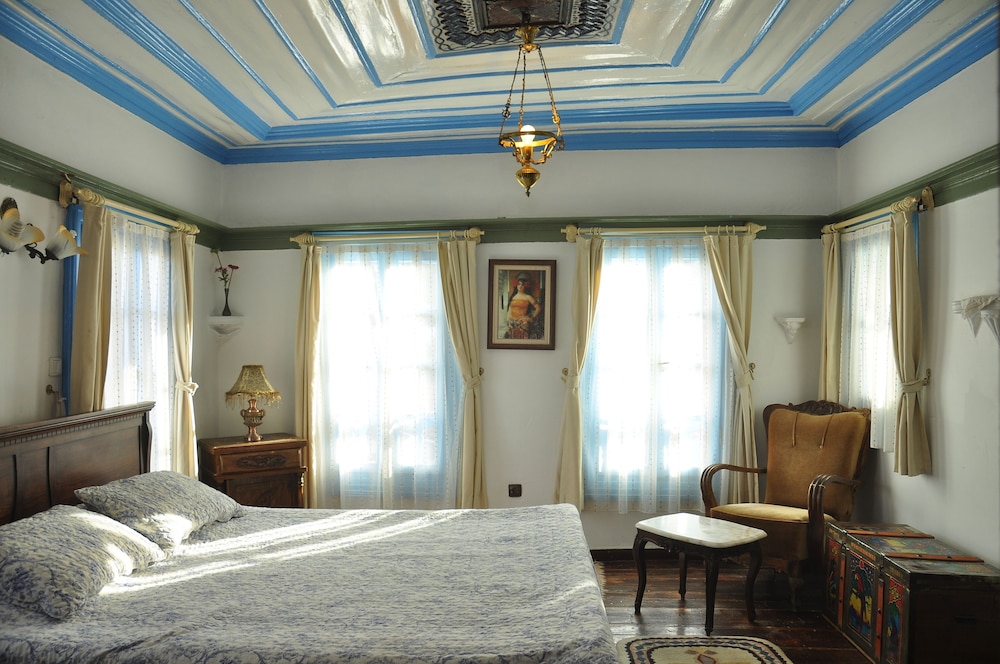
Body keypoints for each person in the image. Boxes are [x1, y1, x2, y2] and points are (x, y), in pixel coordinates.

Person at [504, 271, 543, 339]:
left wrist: (531, 317)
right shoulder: (513, 297)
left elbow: (538, 308)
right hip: (512, 323)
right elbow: (509, 310)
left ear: (525, 286)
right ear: (516, 285)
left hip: (523, 323)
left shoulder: (528, 297)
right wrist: (508, 322)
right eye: (519, 284)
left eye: (522, 285)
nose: (520, 286)